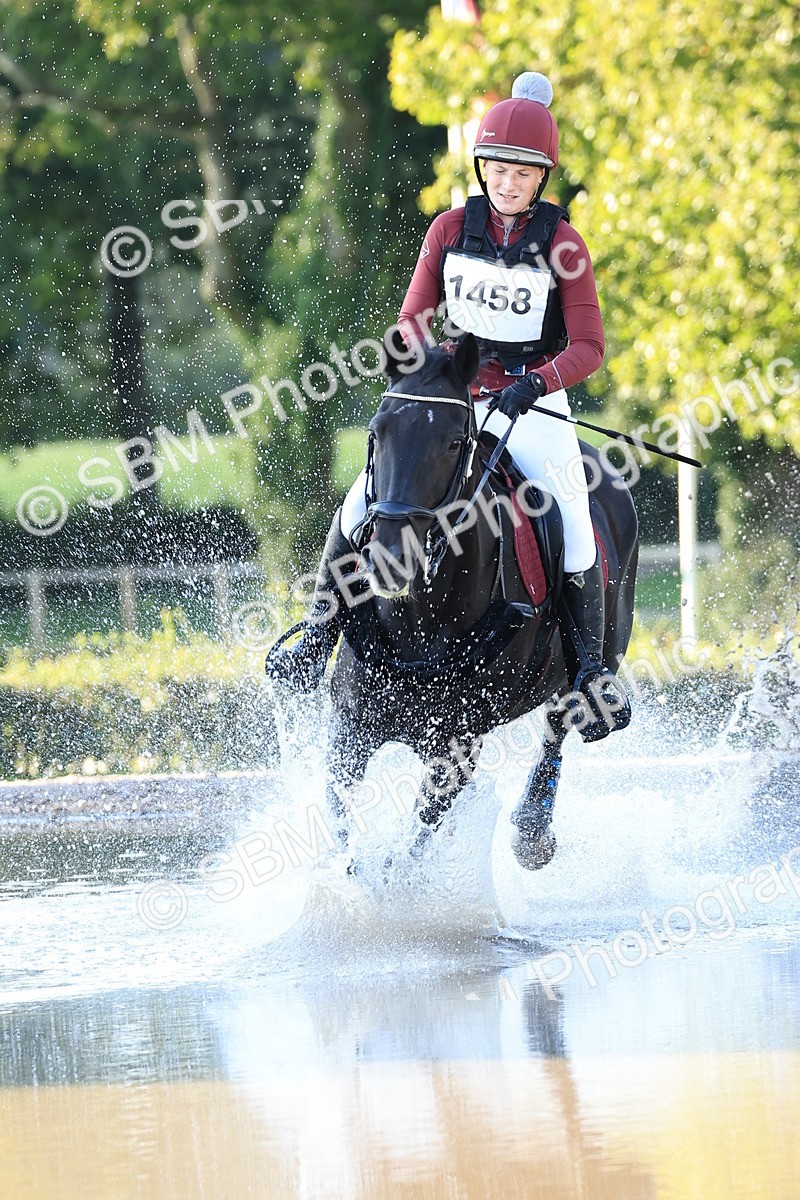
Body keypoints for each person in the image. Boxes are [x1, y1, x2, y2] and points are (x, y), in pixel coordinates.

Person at [266, 71, 626, 741]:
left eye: (523, 173)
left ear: (541, 178)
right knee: (359, 505)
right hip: (454, 398)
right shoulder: (449, 229)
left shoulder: (564, 245)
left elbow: (590, 347)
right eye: (498, 168)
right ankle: (316, 637)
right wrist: (416, 357)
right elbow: (413, 318)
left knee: (573, 522)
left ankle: (586, 675)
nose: (508, 182)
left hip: (532, 404)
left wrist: (535, 383)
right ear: (482, 167)